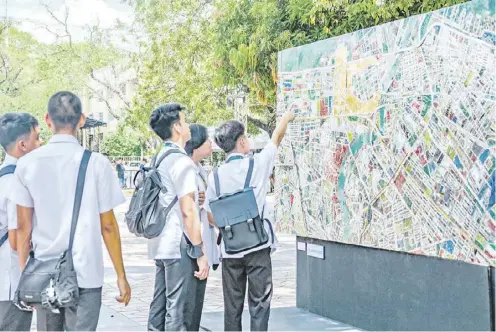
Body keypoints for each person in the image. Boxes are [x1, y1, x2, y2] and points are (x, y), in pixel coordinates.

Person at [10, 91, 131, 331]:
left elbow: (24, 228)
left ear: (47, 119)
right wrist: (121, 275)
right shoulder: (96, 163)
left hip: (45, 275)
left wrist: (27, 277)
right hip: (86, 274)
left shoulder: (26, 165)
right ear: (82, 120)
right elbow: (108, 226)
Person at [204, 108, 295, 331]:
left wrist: (229, 225)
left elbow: (209, 214)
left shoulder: (214, 176)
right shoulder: (258, 164)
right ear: (242, 141)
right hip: (258, 246)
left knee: (232, 306)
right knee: (260, 304)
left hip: (230, 250)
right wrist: (286, 118)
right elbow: (276, 138)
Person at [146, 103, 209, 331]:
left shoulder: (160, 157)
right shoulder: (181, 161)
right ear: (177, 127)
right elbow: (188, 211)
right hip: (178, 242)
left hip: (160, 242)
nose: (188, 124)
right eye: (184, 120)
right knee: (178, 310)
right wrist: (200, 251)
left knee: (160, 305)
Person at [0, 113, 41, 331]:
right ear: (23, 144)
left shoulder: (3, 175)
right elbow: (18, 238)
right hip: (11, 279)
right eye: (37, 138)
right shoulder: (16, 181)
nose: (41, 143)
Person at [185, 124, 220, 270]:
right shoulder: (186, 170)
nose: (211, 143)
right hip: (191, 245)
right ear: (196, 143)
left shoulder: (200, 170)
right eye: (206, 140)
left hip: (204, 238)